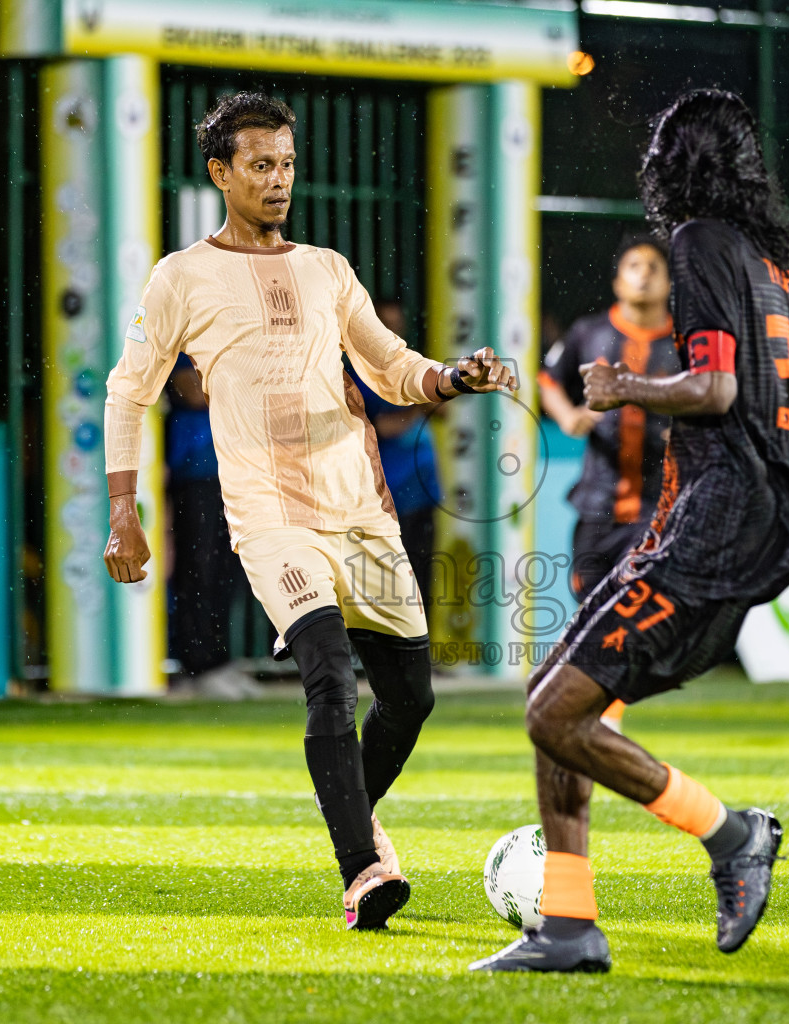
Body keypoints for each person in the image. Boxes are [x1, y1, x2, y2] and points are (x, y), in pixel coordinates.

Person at [472, 90, 789, 974]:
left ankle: (730, 834)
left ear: (675, 166)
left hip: (710, 519)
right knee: (562, 697)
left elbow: (714, 392)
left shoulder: (698, 245)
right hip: (757, 526)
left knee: (551, 710)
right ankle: (569, 926)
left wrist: (626, 388)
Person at [100, 91, 516, 932]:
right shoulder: (181, 276)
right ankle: (362, 869)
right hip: (270, 513)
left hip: (359, 508)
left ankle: (355, 816)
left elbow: (393, 368)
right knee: (327, 677)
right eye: (260, 164)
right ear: (220, 172)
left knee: (410, 701)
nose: (278, 179)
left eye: (286, 163)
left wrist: (452, 378)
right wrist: (122, 509)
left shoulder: (327, 268)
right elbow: (126, 389)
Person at [538, 237, 678, 603]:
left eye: (654, 267)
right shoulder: (589, 333)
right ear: (617, 282)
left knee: (639, 601)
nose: (644, 275)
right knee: (589, 598)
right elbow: (548, 380)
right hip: (597, 501)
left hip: (659, 501)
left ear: (669, 283)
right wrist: (568, 417)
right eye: (634, 266)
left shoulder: (685, 343)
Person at [344, 299, 443, 605]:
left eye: (395, 326)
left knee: (422, 577)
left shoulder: (409, 365)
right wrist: (420, 406)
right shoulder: (357, 373)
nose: (391, 332)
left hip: (423, 488)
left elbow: (443, 413)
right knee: (388, 581)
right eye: (384, 325)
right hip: (388, 494)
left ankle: (419, 650)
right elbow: (380, 428)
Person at [165, 353, 246, 680]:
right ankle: (197, 662)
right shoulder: (183, 345)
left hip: (232, 475)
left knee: (228, 569)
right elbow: (195, 394)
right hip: (194, 478)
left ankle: (218, 659)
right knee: (198, 568)